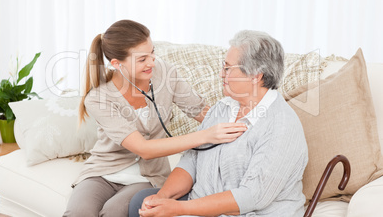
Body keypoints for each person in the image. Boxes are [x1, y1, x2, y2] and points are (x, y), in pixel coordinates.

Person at [63, 20, 246, 217]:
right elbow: (143, 149)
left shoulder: (165, 73)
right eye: (142, 59)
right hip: (101, 173)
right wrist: (206, 135)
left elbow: (201, 111)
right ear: (117, 64)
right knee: (78, 213)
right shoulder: (99, 98)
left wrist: (241, 125)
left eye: (152, 53)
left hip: (148, 177)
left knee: (113, 212)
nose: (152, 62)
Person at [130, 30, 309, 217]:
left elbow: (252, 197)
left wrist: (178, 208)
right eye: (224, 66)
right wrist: (163, 198)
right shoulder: (223, 108)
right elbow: (191, 161)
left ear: (256, 75)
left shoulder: (280, 126)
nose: (221, 74)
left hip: (248, 213)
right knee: (142, 203)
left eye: (228, 68)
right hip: (203, 205)